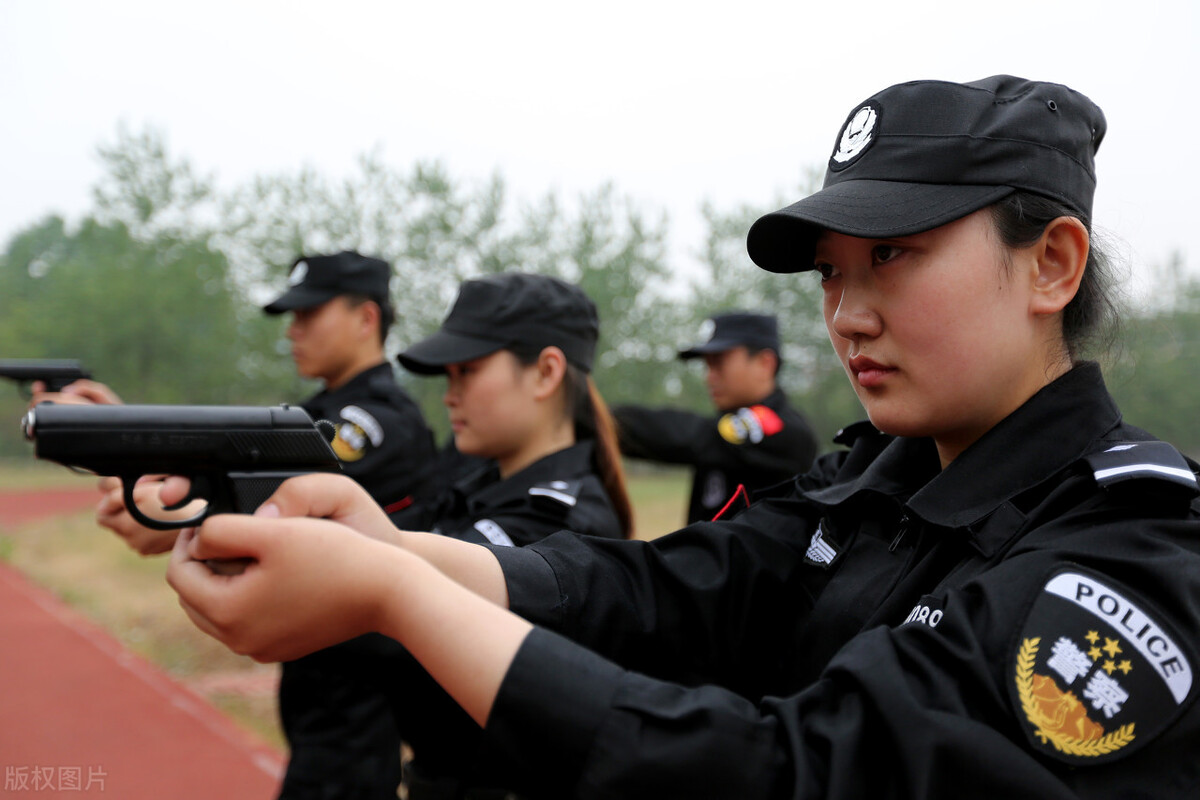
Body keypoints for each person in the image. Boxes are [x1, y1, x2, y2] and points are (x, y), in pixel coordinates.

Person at [165, 75, 1200, 799]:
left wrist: (395, 592)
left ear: (1053, 264)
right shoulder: (872, 483)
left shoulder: (1129, 553)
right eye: (834, 270)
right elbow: (669, 589)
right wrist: (392, 553)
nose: (846, 312)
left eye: (893, 253)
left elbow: (791, 772)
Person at [75, 251, 440, 799]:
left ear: (367, 319)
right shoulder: (321, 410)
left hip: (356, 712)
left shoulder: (376, 422)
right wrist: (117, 440)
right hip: (321, 699)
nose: (292, 331)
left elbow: (247, 497)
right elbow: (224, 473)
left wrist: (148, 496)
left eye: (309, 315)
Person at [613, 311, 818, 523]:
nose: (709, 377)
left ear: (765, 364)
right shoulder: (725, 426)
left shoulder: (782, 428)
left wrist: (602, 419)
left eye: (719, 363)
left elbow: (693, 437)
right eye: (707, 365)